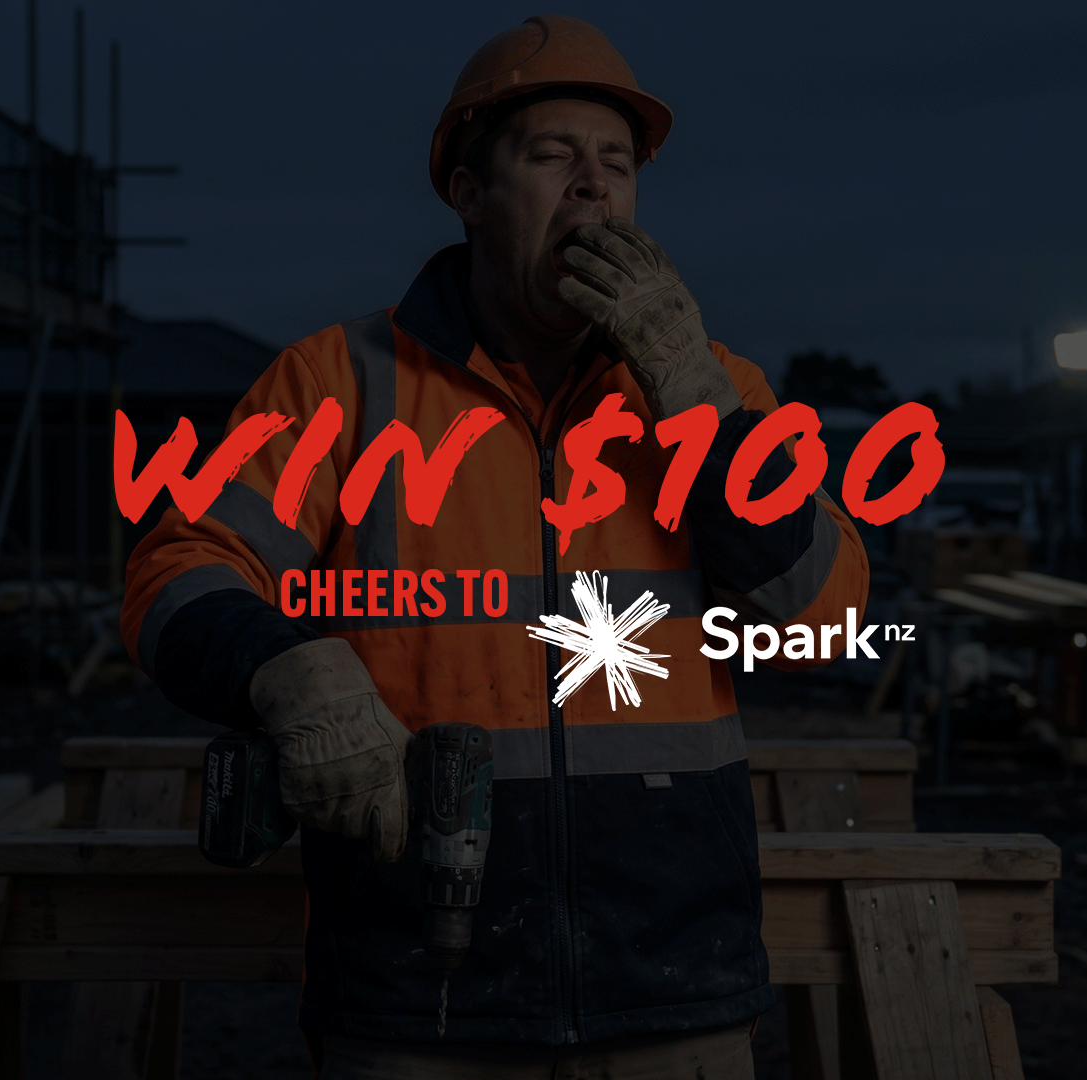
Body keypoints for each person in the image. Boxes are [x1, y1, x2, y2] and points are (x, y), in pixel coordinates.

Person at [121, 15, 869, 1079]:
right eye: (552, 155)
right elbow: (179, 563)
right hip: (411, 989)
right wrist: (281, 668)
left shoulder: (720, 391)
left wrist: (695, 401)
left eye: (617, 164)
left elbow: (825, 615)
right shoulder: (342, 382)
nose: (593, 187)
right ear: (469, 191)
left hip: (671, 983)